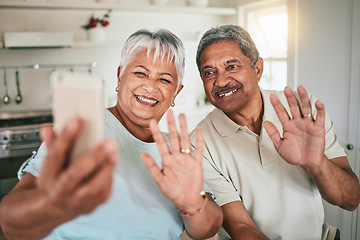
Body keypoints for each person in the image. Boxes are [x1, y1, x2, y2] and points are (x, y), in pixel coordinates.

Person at [0, 29, 223, 240]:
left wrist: (192, 203)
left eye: (164, 79)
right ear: (119, 77)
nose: (150, 86)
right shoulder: (85, 128)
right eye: (140, 73)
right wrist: (49, 203)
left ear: (176, 92)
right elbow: (11, 225)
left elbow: (208, 228)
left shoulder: (179, 151)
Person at [191, 24, 360, 240]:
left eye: (232, 66)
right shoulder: (199, 143)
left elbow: (351, 200)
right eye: (209, 72)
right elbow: (241, 227)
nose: (221, 81)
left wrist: (316, 162)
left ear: (258, 69)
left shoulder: (300, 111)